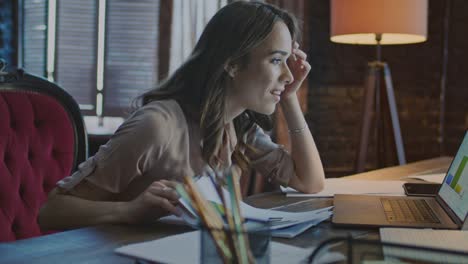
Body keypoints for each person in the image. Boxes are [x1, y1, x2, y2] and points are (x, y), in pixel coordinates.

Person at [38, 1, 325, 230]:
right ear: (233, 64)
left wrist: (289, 98)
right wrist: (129, 210)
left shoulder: (238, 125)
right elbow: (52, 212)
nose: (288, 75)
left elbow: (309, 182)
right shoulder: (157, 125)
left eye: (287, 61)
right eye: (276, 60)